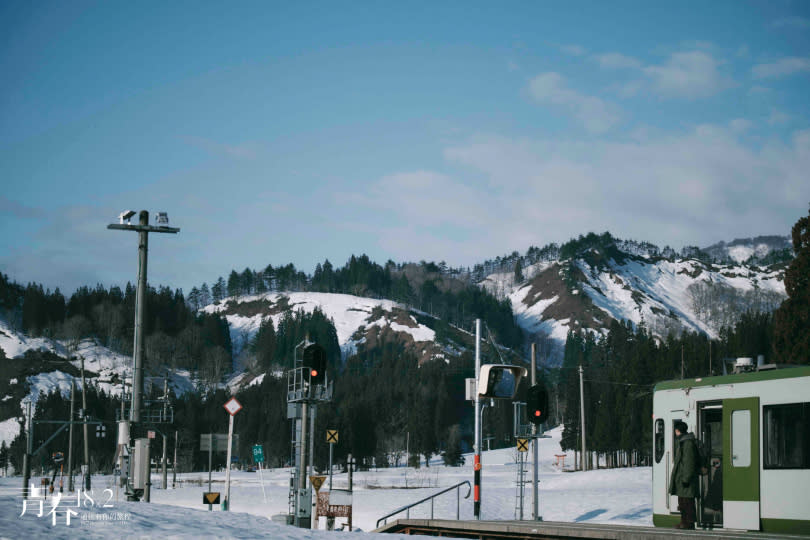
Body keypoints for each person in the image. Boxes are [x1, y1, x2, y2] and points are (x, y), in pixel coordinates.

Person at [670, 421, 699, 529]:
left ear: (678, 430)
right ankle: (684, 522)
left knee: (687, 502)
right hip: (682, 478)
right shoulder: (684, 442)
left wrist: (686, 478)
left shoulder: (687, 444)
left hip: (686, 479)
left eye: (675, 430)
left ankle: (688, 523)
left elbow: (689, 462)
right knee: (682, 502)